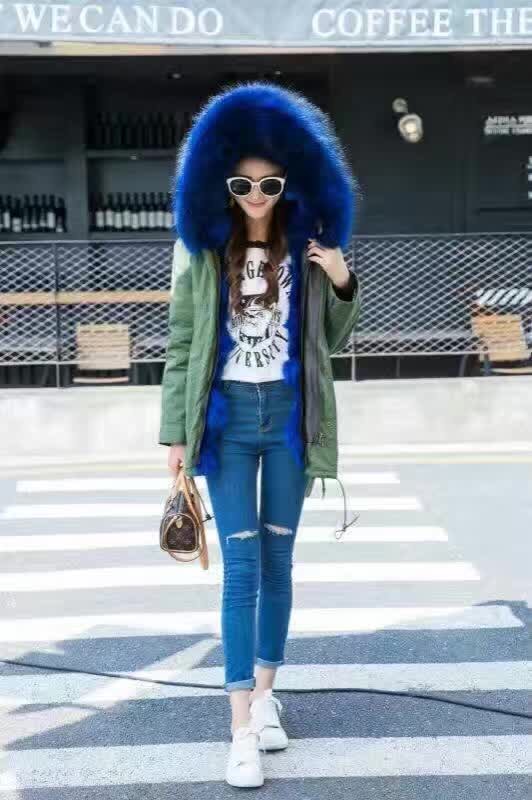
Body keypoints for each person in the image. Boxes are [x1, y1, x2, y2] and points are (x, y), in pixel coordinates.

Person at [159, 81, 362, 787]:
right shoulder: (202, 249)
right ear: (223, 183)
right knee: (240, 568)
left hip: (288, 418)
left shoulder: (308, 247)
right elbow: (181, 342)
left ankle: (268, 695)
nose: (255, 195)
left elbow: (330, 342)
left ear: (287, 184)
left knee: (279, 563)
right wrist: (174, 435)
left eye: (269, 184)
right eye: (242, 184)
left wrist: (342, 279)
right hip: (227, 420)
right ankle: (240, 726)